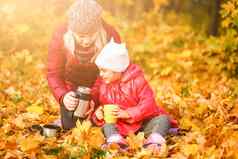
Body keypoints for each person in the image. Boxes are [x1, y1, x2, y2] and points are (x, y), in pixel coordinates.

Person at [90, 39, 178, 153]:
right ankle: (116, 142)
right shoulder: (104, 86)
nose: (101, 74)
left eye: (104, 70)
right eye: (100, 71)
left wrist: (128, 113)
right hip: (121, 128)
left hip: (142, 125)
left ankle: (155, 141)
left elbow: (149, 104)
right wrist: (98, 115)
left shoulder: (137, 81)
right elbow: (104, 109)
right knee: (107, 127)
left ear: (117, 69)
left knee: (163, 119)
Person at [47, 0, 121, 130]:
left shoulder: (110, 35)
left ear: (98, 29)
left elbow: (114, 72)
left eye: (91, 35)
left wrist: (93, 97)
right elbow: (54, 73)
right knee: (71, 127)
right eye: (81, 36)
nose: (86, 41)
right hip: (72, 88)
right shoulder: (60, 35)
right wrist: (63, 96)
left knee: (102, 121)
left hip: (104, 85)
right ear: (72, 30)